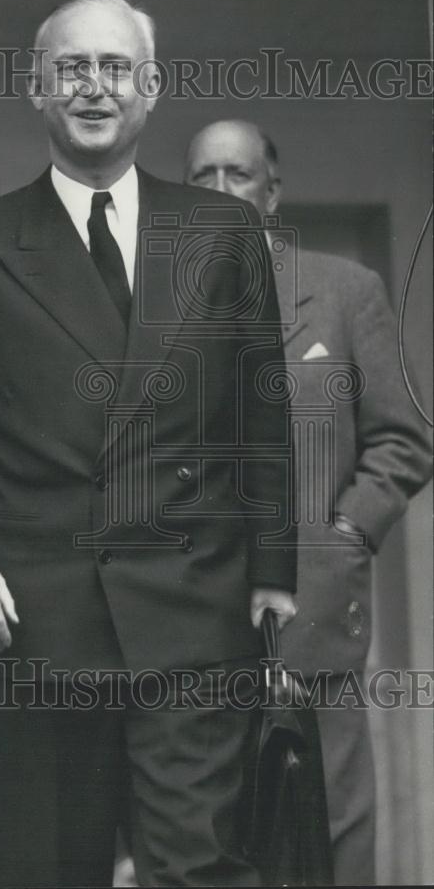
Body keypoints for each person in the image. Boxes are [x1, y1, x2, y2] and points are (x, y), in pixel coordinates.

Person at [0, 0, 297, 887]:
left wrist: (273, 575)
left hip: (192, 615)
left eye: (115, 68)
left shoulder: (223, 235)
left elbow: (260, 421)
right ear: (38, 88)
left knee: (196, 869)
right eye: (71, 68)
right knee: (50, 870)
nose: (94, 87)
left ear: (149, 90)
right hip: (39, 626)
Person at [184, 119, 433, 886]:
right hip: (195, 624)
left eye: (238, 174)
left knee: (335, 828)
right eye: (203, 178)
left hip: (316, 617)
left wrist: (348, 531)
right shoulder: (158, 309)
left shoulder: (345, 290)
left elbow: (407, 438)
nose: (222, 191)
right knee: (210, 836)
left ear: (272, 191)